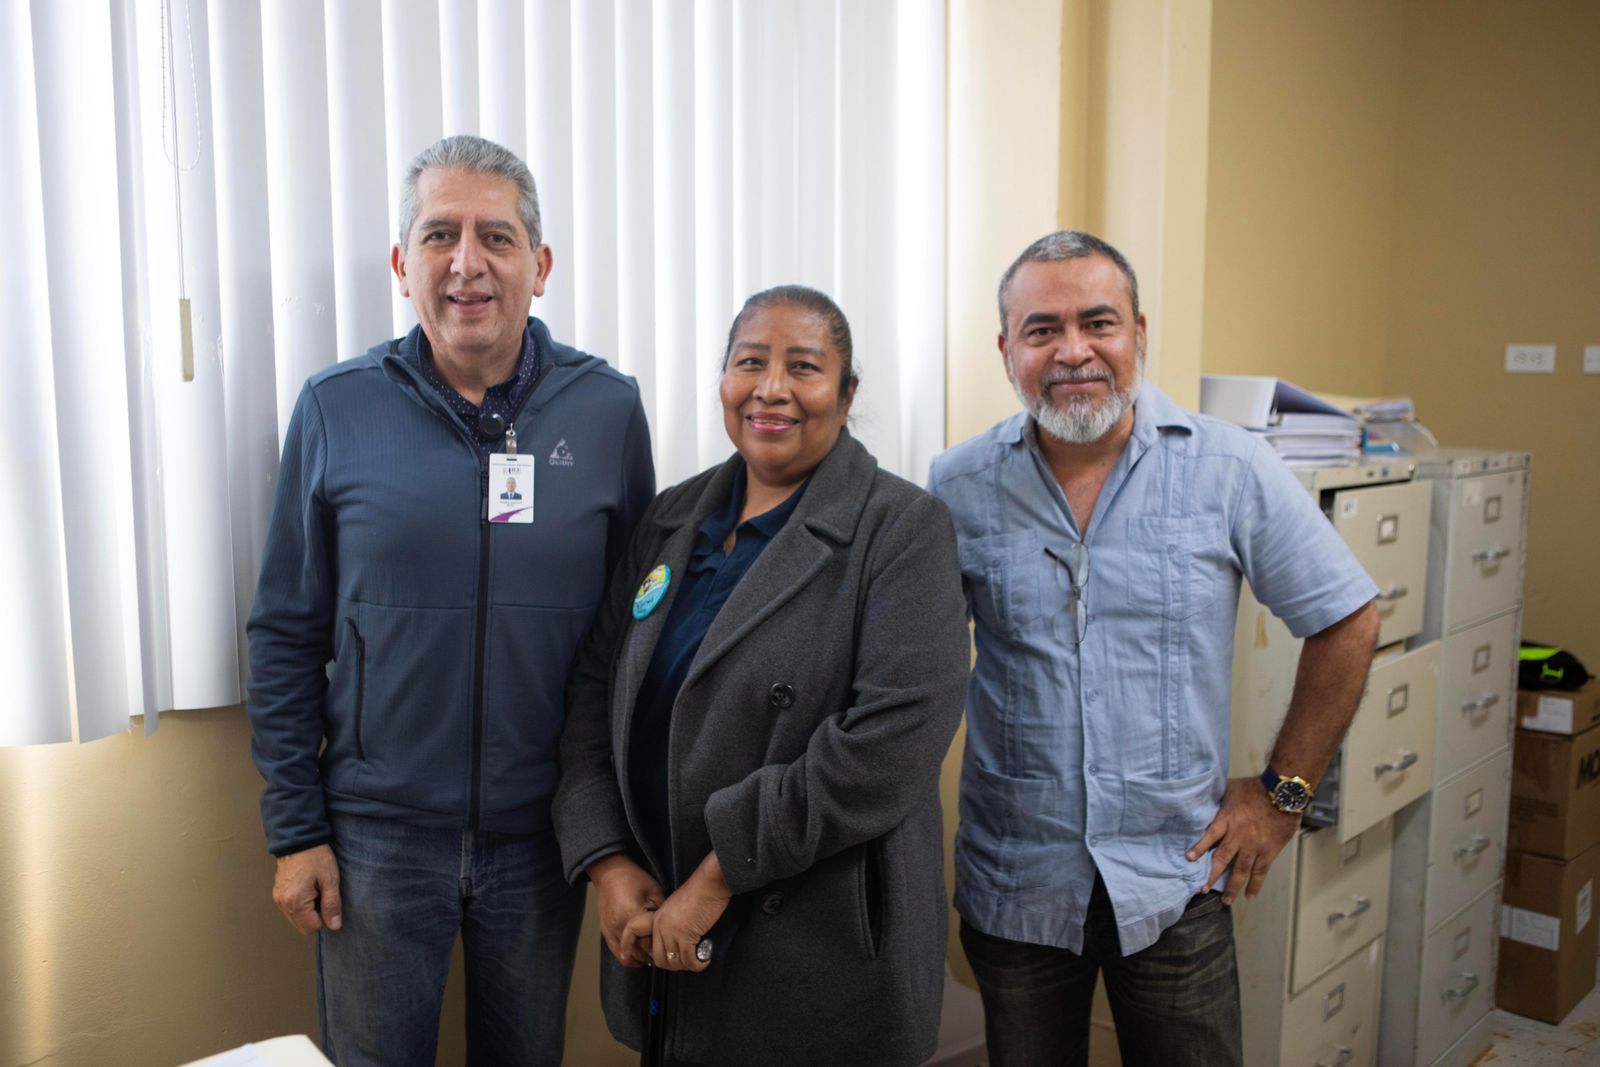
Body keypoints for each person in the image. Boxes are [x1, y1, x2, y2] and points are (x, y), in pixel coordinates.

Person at [247, 134, 655, 1067]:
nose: (467, 262)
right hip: (375, 842)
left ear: (539, 266)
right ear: (402, 263)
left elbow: (635, 631)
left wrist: (613, 831)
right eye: (439, 235)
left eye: (496, 238)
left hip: (542, 837)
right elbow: (283, 633)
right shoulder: (334, 409)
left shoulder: (607, 411)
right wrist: (296, 828)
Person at [928, 230, 1382, 1067]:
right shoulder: (955, 485)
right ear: (1006, 350)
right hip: (1015, 886)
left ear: (1140, 330)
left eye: (1098, 322)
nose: (1073, 351)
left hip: (1178, 883)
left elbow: (1348, 617)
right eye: (1041, 330)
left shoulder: (1228, 467)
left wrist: (1284, 795)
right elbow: (907, 665)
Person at [553, 285, 969, 1067]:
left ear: (846, 397)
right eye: (750, 362)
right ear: (723, 382)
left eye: (803, 367)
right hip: (659, 933)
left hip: (814, 952)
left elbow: (887, 748)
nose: (771, 388)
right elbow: (591, 699)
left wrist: (716, 875)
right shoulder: (673, 517)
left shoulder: (903, 529)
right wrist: (608, 862)